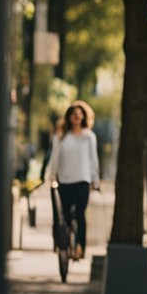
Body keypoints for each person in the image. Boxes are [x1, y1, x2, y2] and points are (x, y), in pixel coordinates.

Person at [45, 102, 100, 260]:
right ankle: (65, 245)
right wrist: (52, 175)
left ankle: (80, 247)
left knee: (80, 214)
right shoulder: (61, 136)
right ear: (69, 117)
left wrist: (95, 180)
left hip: (83, 180)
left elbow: (93, 159)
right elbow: (55, 157)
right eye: (73, 113)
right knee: (65, 216)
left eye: (79, 113)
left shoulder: (89, 136)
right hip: (64, 180)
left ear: (83, 116)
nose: (76, 116)